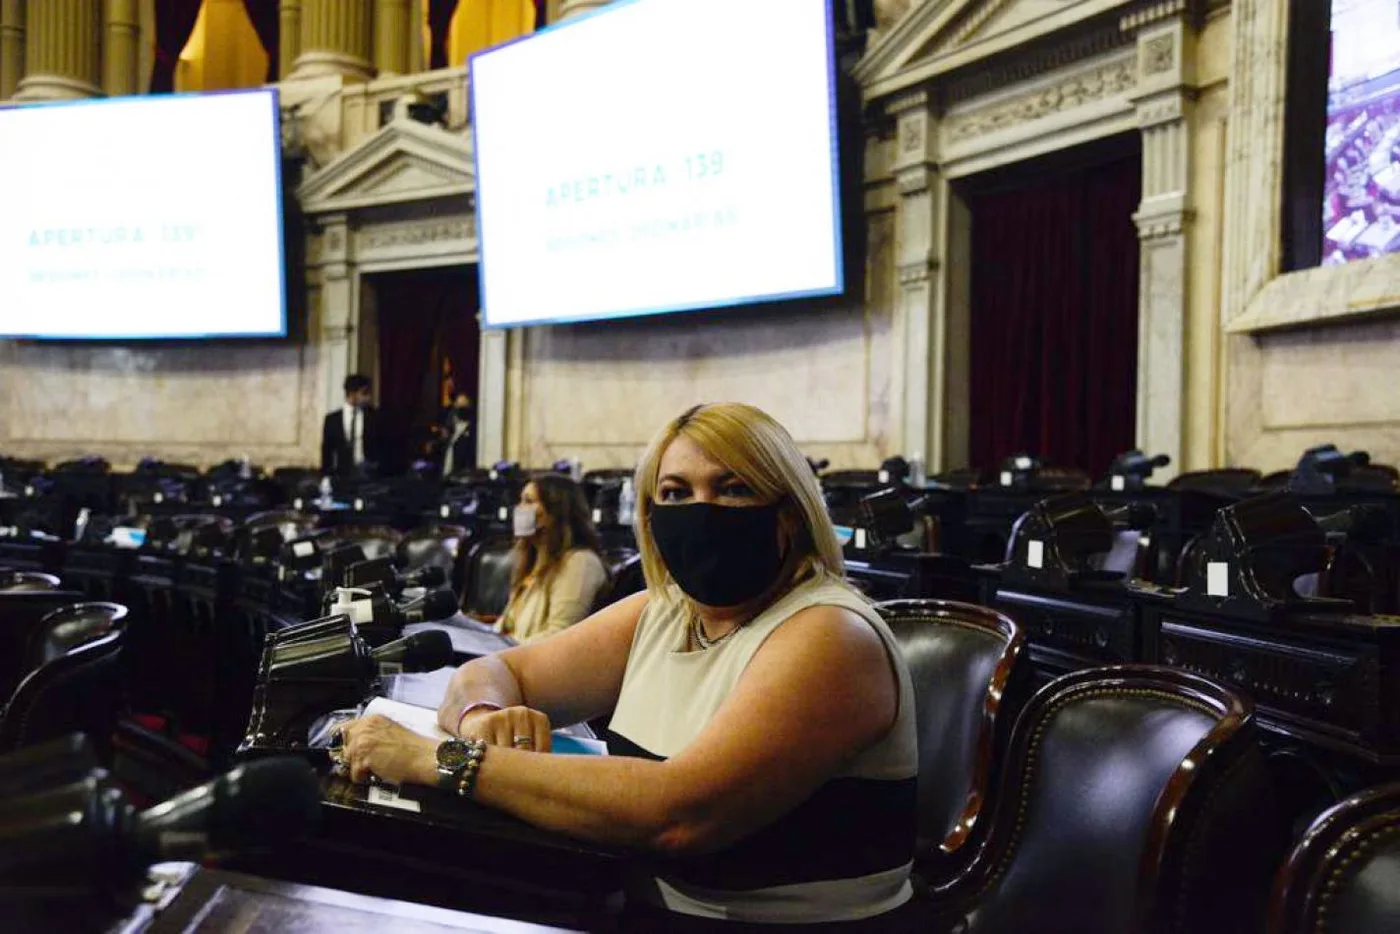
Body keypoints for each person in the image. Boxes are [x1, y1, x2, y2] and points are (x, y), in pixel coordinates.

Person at [338, 403, 918, 931]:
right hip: (632, 904)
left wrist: (440, 758)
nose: (701, 512)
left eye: (734, 489)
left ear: (789, 511)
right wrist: (483, 716)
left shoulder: (830, 635)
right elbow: (493, 672)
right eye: (674, 493)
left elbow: (679, 813)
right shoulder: (665, 611)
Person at [494, 473, 608, 642]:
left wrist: (504, 657)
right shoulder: (532, 562)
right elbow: (507, 627)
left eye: (528, 501)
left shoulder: (581, 562)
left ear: (555, 512)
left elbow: (560, 634)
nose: (519, 508)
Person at [321, 374, 380, 478]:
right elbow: (327, 450)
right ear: (352, 394)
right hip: (341, 475)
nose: (368, 398)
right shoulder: (332, 419)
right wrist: (326, 476)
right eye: (364, 393)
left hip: (368, 473)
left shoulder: (373, 416)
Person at [438, 391, 477, 477]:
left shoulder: (474, 428)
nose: (460, 408)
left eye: (464, 404)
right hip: (446, 472)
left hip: (463, 475)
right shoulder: (450, 426)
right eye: (458, 404)